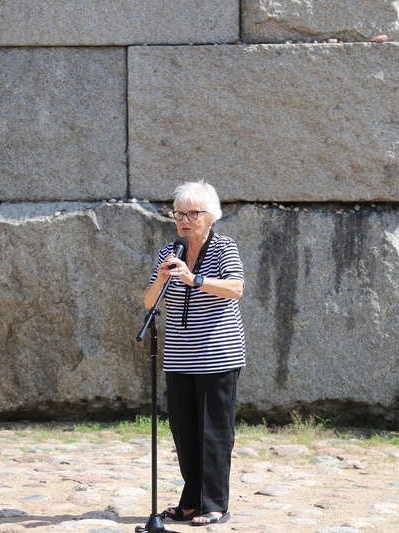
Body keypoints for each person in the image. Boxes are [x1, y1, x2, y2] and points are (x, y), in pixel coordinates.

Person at [143, 180, 245, 526]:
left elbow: (235, 288)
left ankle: (215, 503)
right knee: (184, 432)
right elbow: (148, 302)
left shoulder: (224, 249)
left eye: (193, 214)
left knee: (214, 432)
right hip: (179, 357)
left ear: (211, 217)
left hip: (218, 355)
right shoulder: (168, 252)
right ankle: (190, 502)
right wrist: (161, 278)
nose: (185, 220)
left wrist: (194, 279)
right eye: (180, 214)